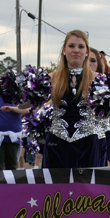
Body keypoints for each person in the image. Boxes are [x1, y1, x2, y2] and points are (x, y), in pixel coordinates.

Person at [42, 30, 102, 169]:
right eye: (71, 46)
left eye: (81, 46)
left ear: (87, 51)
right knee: (54, 188)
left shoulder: (99, 79)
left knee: (85, 189)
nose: (76, 50)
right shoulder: (51, 78)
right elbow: (25, 105)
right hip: (56, 144)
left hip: (86, 145)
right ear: (64, 49)